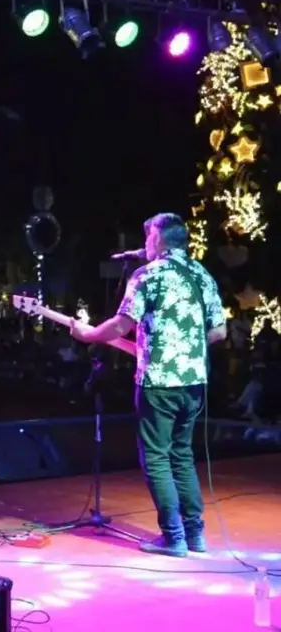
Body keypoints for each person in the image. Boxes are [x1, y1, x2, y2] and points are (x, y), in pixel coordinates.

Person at [71, 213, 226, 557]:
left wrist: (87, 335)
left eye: (147, 238)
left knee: (156, 457)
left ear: (157, 239)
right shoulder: (203, 275)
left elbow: (120, 325)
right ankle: (195, 535)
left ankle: (173, 537)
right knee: (182, 455)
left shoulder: (148, 275)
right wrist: (183, 347)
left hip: (159, 383)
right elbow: (219, 332)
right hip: (194, 383)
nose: (144, 244)